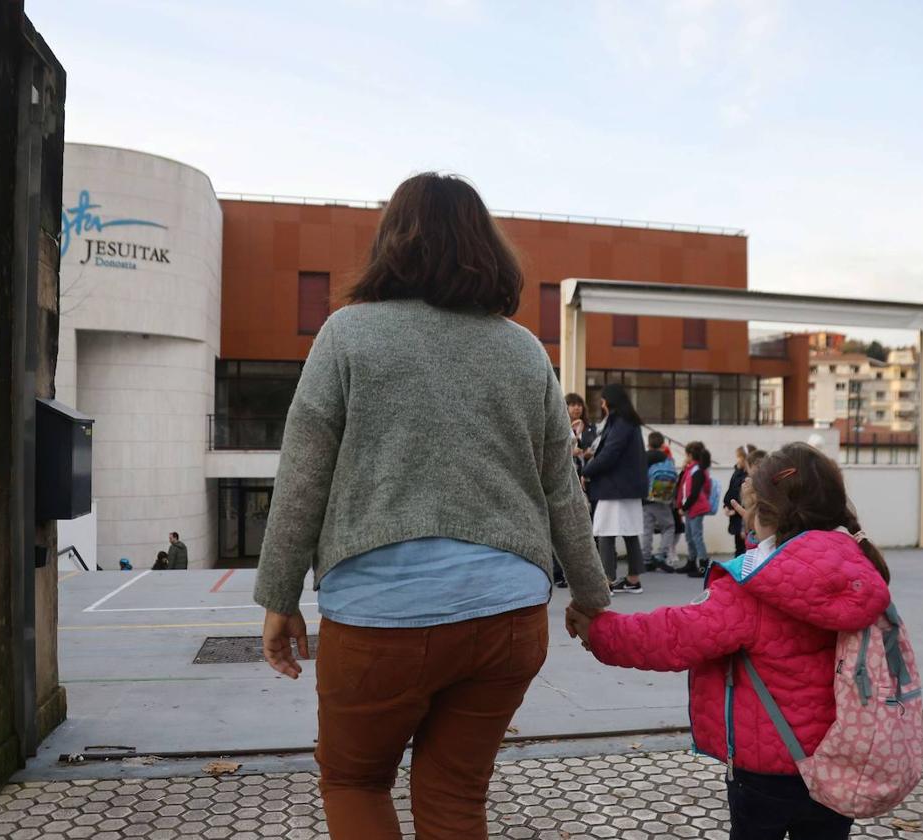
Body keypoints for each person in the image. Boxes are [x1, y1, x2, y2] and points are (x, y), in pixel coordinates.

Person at [252, 172, 610, 840]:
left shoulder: (346, 335)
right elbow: (560, 488)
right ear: (487, 248)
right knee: (454, 797)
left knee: (356, 781)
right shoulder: (524, 350)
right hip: (508, 614)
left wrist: (278, 597)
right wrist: (591, 595)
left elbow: (303, 478)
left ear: (391, 242)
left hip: (377, 616)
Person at [567, 442, 892, 840]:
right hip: (837, 762)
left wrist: (599, 630)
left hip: (767, 768)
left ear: (762, 512)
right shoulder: (860, 567)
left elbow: (674, 636)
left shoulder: (754, 587)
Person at [582, 383, 649, 594]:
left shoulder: (619, 422)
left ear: (608, 401)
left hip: (614, 488)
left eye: (602, 399)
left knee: (605, 532)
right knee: (629, 532)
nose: (601, 403)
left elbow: (609, 454)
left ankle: (606, 581)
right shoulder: (629, 422)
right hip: (628, 488)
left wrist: (587, 471)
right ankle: (633, 579)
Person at [555, 393, 597, 588]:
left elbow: (595, 449)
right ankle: (559, 572)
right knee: (562, 525)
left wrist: (585, 451)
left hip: (585, 481)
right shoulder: (557, 423)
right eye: (572, 404)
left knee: (583, 526)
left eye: (579, 404)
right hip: (563, 481)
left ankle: (584, 572)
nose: (576, 408)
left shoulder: (590, 429)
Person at [642, 431, 678, 572]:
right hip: (663, 498)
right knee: (669, 526)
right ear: (662, 444)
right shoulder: (666, 458)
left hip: (645, 498)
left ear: (648, 443)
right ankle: (660, 555)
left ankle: (646, 559)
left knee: (647, 530)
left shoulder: (642, 457)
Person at [675, 441, 711, 577]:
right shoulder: (691, 469)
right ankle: (691, 562)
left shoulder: (698, 471)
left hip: (696, 508)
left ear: (690, 455)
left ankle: (703, 566)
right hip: (691, 509)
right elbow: (681, 485)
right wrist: (684, 468)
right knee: (690, 536)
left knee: (696, 537)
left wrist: (684, 507)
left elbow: (694, 493)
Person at [723, 445, 753, 557]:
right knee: (738, 547)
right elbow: (730, 491)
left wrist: (735, 510)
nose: (737, 459)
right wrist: (726, 506)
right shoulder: (736, 472)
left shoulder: (749, 477)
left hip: (743, 517)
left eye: (739, 457)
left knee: (746, 548)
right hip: (735, 516)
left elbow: (746, 499)